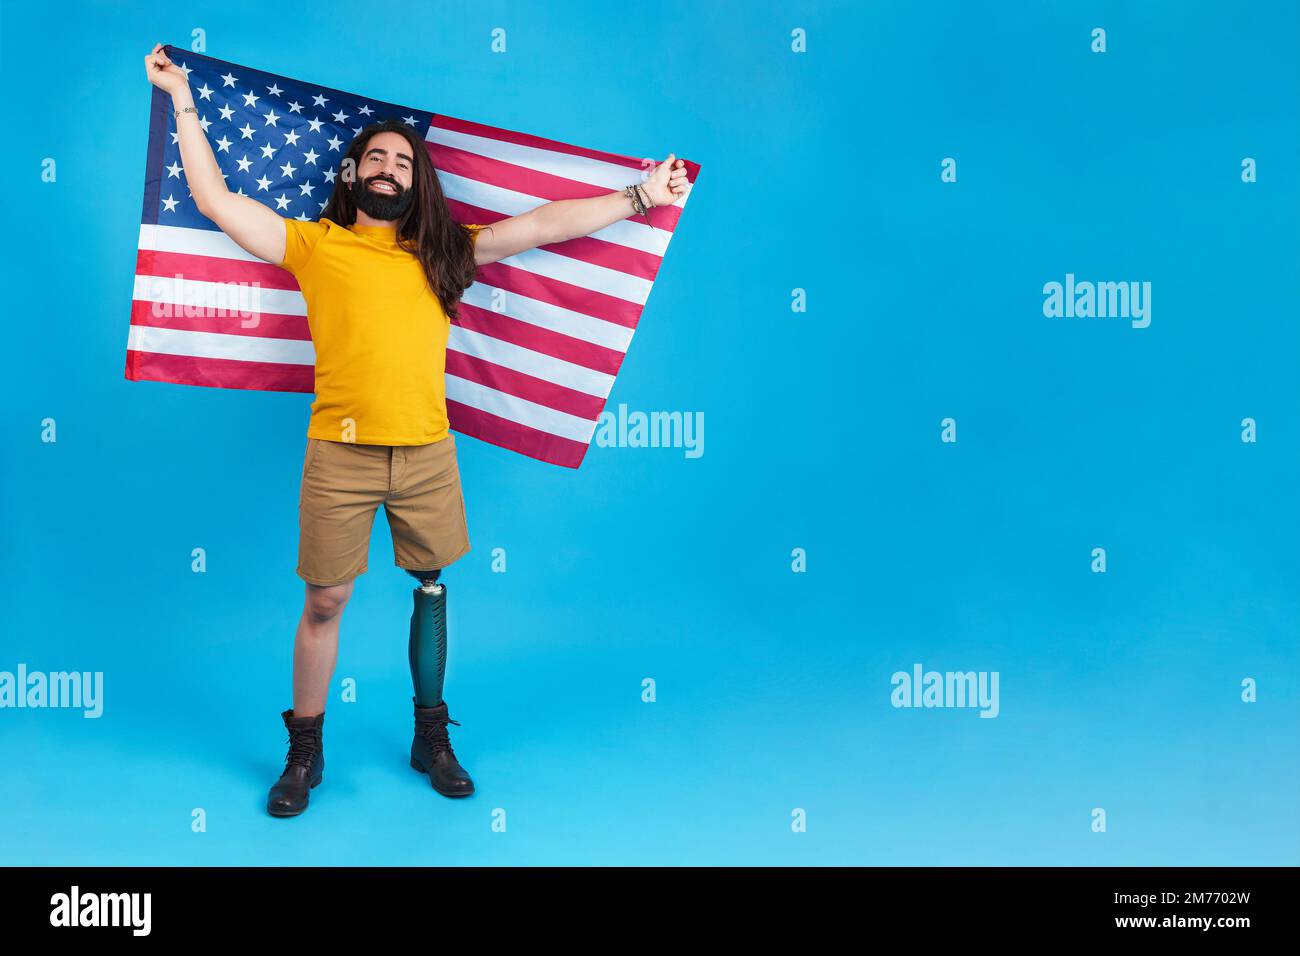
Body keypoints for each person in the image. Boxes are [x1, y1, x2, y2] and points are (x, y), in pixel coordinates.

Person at [144, 42, 689, 817]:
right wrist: (182, 98)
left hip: (428, 454)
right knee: (326, 602)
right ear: (351, 174)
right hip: (339, 454)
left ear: (416, 180)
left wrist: (641, 196)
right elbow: (214, 198)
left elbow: (539, 226)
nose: (390, 169)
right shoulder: (315, 246)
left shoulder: (444, 252)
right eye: (377, 158)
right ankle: (305, 751)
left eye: (404, 161)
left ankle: (430, 737)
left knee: (432, 589)